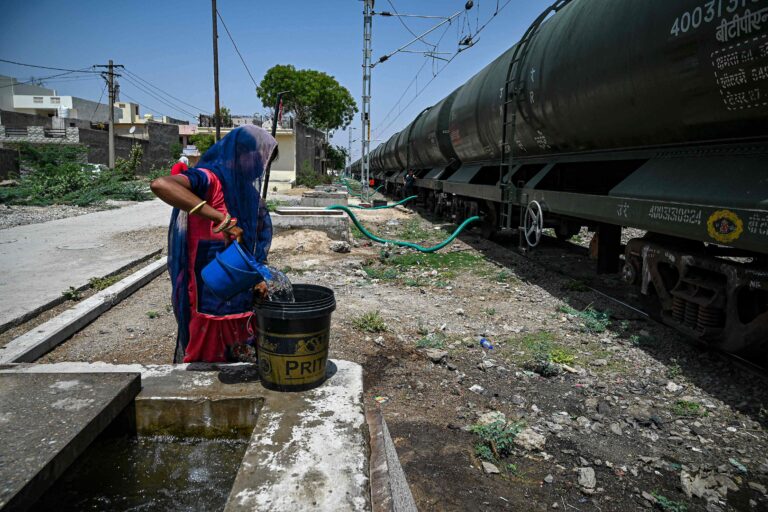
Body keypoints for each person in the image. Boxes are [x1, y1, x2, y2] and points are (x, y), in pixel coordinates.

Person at [150, 126, 277, 363]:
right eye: (257, 159)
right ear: (238, 154)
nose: (261, 166)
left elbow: (258, 240)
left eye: (264, 162)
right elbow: (161, 185)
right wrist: (220, 218)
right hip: (208, 282)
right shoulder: (209, 179)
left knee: (242, 341)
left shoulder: (249, 194)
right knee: (209, 349)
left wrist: (260, 275)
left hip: (240, 280)